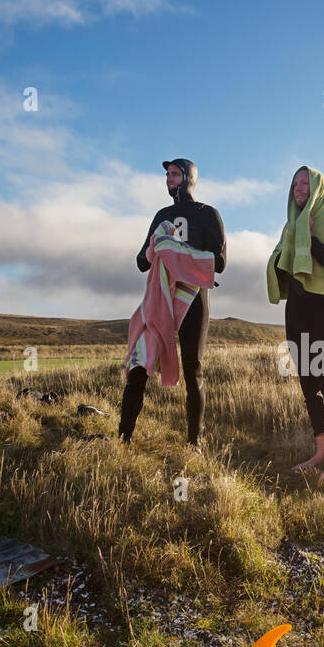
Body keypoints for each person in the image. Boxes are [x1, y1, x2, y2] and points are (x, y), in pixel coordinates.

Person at [118, 158, 226, 446]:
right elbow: (142, 260)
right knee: (140, 365)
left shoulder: (208, 214)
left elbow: (220, 262)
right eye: (167, 174)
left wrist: (180, 255)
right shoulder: (162, 215)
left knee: (193, 369)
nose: (168, 178)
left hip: (193, 300)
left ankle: (194, 443)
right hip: (161, 299)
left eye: (175, 173)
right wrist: (161, 246)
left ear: (190, 177)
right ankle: (123, 439)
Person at [266, 166, 324, 483]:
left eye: (304, 182)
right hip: (296, 306)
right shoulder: (290, 224)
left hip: (321, 305)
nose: (298, 188)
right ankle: (319, 452)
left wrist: (311, 237)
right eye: (294, 183)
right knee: (307, 382)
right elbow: (283, 262)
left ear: (318, 186)